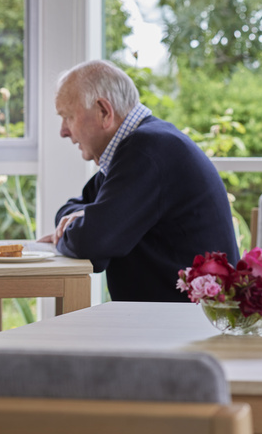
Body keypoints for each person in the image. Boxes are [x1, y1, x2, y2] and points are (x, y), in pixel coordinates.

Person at [39, 60, 238, 302]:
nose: (63, 131)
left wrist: (86, 223)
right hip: (170, 318)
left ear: (104, 111)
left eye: (68, 117)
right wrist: (83, 219)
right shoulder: (138, 147)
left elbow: (92, 244)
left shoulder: (147, 150)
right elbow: (74, 207)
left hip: (181, 325)